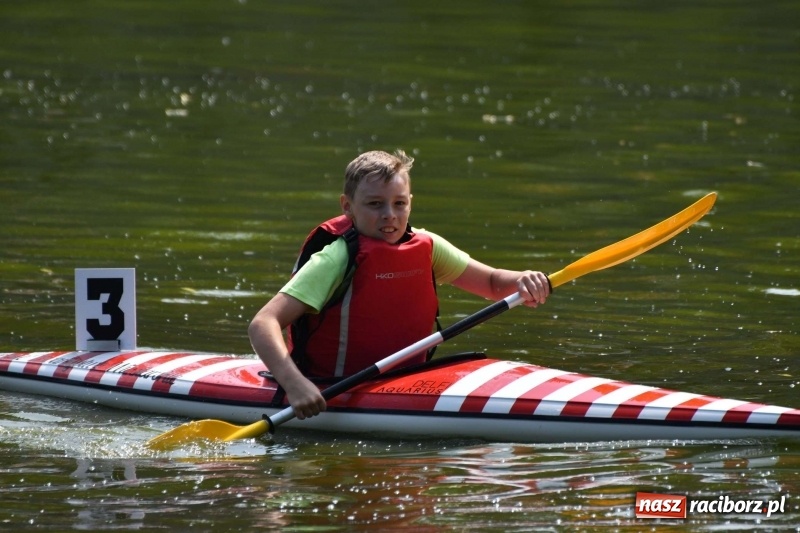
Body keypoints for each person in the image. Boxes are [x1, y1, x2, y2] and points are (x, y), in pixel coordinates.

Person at [248, 150, 550, 420]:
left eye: (399, 203)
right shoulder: (336, 259)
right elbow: (263, 323)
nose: (389, 215)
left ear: (410, 203)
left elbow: (492, 283)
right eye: (375, 204)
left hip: (408, 381)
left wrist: (522, 279)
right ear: (347, 206)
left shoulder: (428, 247)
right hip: (333, 387)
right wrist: (296, 385)